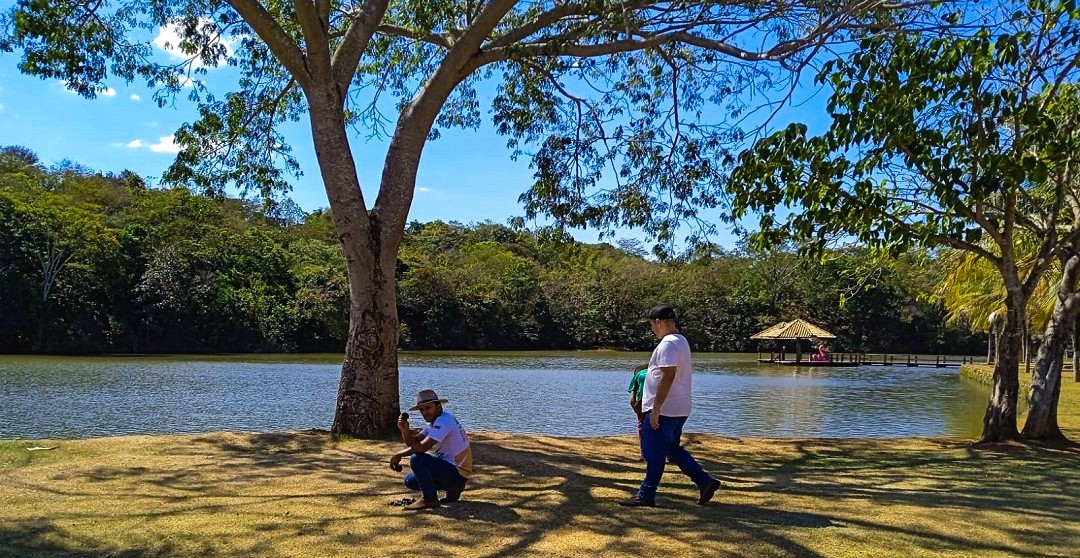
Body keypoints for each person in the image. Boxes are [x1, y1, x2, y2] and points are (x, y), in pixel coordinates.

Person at [620, 305, 722, 507]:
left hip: (665, 409)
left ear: (658, 322)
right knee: (671, 450)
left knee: (653, 452)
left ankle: (646, 494)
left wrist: (656, 408)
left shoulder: (668, 344)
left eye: (651, 325)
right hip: (679, 407)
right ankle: (705, 482)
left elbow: (668, 376)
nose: (652, 329)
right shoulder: (681, 341)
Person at [389, 388, 473, 510]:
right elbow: (414, 442)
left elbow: (422, 448)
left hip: (457, 471)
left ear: (438, 406)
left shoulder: (444, 421)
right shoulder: (434, 423)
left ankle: (429, 499)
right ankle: (453, 488)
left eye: (428, 408)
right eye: (421, 410)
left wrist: (399, 454)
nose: (425, 412)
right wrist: (404, 430)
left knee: (418, 459)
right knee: (410, 481)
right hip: (451, 469)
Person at [628, 363, 650, 452]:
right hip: (660, 400)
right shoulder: (659, 372)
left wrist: (637, 412)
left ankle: (644, 452)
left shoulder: (638, 375)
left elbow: (632, 399)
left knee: (642, 426)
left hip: (642, 401)